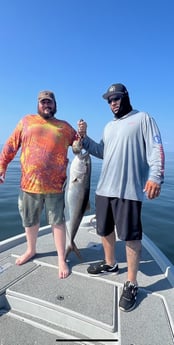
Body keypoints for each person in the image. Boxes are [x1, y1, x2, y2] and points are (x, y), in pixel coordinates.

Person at [77, 83, 165, 311]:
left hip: (129, 190)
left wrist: (156, 176)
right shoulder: (108, 126)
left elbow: (156, 148)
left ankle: (132, 282)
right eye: (109, 100)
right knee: (105, 230)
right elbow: (102, 152)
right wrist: (85, 139)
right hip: (104, 189)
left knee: (130, 237)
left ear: (125, 97)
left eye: (116, 98)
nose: (113, 103)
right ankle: (110, 264)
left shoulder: (143, 118)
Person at [0, 90, 77, 279]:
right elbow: (10, 146)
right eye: (43, 102)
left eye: (49, 102)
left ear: (55, 104)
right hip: (29, 184)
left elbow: (78, 145)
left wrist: (81, 135)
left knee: (57, 222)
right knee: (30, 220)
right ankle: (31, 249)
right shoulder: (26, 121)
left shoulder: (64, 127)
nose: (46, 105)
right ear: (38, 104)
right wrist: (2, 167)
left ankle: (61, 257)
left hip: (56, 186)